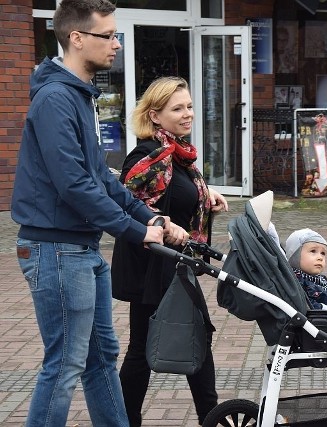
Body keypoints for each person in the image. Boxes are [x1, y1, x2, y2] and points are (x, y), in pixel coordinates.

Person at [10, 1, 185, 425]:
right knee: (65, 365)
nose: (116, 44)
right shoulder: (55, 99)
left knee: (100, 358)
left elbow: (102, 179)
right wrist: (133, 230)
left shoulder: (78, 95)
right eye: (107, 36)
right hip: (56, 249)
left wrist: (148, 218)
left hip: (80, 249)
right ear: (76, 38)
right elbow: (73, 184)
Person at [111, 76, 228, 426]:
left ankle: (126, 418)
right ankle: (212, 417)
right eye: (178, 108)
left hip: (174, 263)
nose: (187, 113)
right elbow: (127, 204)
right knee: (171, 343)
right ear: (155, 115)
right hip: (153, 265)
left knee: (150, 348)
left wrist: (208, 196)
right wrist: (161, 222)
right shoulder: (146, 155)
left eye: (190, 106)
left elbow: (175, 194)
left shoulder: (177, 154)